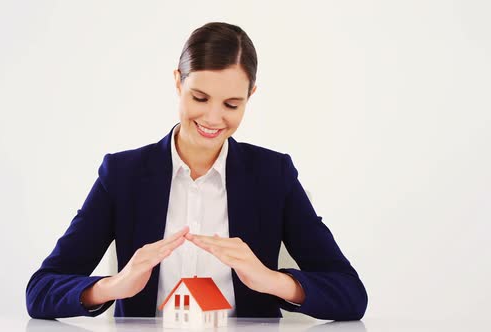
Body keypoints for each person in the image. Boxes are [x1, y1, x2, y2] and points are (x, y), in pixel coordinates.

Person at [25, 22, 368, 321]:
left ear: (251, 96)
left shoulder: (273, 175)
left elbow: (351, 294)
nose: (213, 118)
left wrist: (269, 279)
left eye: (232, 105)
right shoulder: (122, 175)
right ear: (178, 82)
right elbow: (40, 291)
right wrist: (113, 286)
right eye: (200, 98)